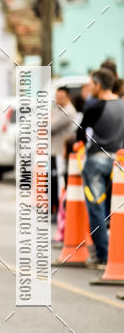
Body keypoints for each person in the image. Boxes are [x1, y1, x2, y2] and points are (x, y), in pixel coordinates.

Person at [76, 68, 124, 268]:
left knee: (96, 208)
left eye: (91, 83)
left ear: (98, 85)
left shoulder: (95, 108)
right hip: (119, 161)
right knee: (117, 210)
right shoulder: (122, 105)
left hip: (97, 160)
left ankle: (102, 254)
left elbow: (80, 135)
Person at [50, 87, 77, 218]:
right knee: (52, 181)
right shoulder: (57, 109)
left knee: (59, 181)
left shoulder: (69, 111)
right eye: (57, 97)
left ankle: (59, 211)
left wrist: (47, 122)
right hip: (54, 150)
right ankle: (53, 208)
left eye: (61, 97)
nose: (58, 100)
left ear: (68, 97)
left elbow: (51, 126)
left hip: (61, 152)